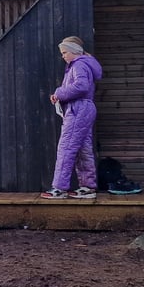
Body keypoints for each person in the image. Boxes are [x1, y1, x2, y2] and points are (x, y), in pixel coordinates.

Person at [41, 37, 104, 199]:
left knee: (66, 147)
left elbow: (81, 86)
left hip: (78, 108)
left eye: (64, 52)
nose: (63, 56)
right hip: (85, 108)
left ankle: (59, 188)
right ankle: (87, 187)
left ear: (74, 51)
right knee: (83, 148)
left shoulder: (78, 65)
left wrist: (59, 93)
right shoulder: (85, 64)